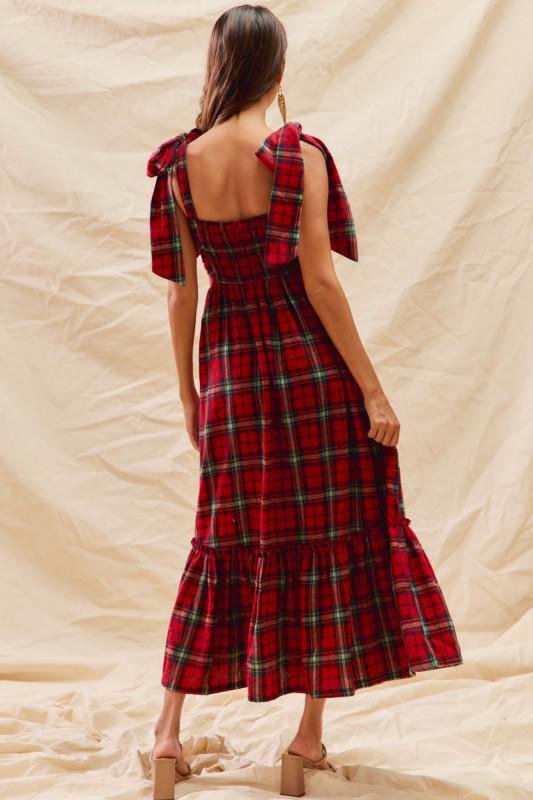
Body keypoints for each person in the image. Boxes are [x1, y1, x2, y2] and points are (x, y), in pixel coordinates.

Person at [145, 5, 463, 797]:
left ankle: (165, 739)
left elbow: (181, 296)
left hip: (230, 370)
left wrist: (188, 392)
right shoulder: (296, 153)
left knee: (220, 540)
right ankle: (304, 742)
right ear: (275, 69)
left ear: (218, 64)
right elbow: (318, 281)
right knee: (327, 534)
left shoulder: (178, 166)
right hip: (307, 371)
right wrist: (372, 387)